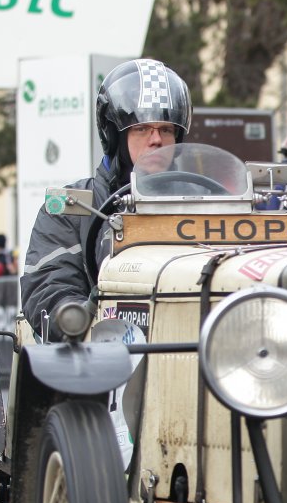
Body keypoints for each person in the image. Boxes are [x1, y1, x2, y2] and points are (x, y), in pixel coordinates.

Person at [21, 58, 192, 330]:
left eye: (166, 129)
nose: (157, 139)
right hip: (109, 348)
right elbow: (47, 287)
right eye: (142, 128)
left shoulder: (203, 203)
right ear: (114, 135)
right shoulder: (72, 208)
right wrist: (86, 317)